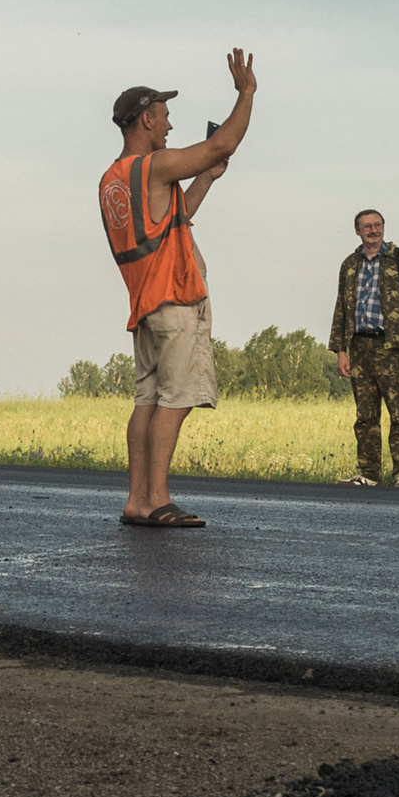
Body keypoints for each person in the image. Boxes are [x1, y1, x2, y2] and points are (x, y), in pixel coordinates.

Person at [99, 50, 255, 528]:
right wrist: (246, 93)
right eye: (164, 117)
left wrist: (205, 179)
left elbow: (174, 215)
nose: (168, 125)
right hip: (175, 296)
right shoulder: (151, 166)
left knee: (147, 400)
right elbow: (221, 143)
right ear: (146, 118)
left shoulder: (113, 179)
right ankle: (158, 498)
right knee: (177, 398)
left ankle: (137, 500)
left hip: (145, 304)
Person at [326, 208, 399, 487]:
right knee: (365, 416)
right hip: (360, 346)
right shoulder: (350, 264)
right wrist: (341, 351)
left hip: (393, 348)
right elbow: (341, 308)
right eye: (367, 226)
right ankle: (369, 473)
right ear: (357, 230)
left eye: (378, 225)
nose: (373, 230)